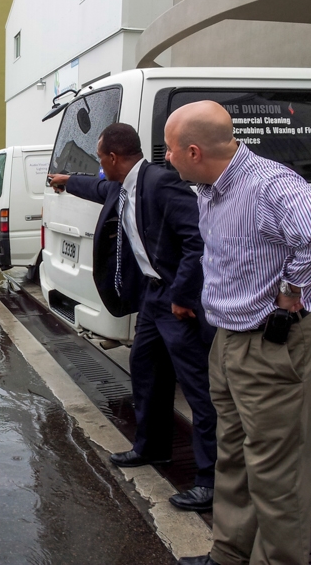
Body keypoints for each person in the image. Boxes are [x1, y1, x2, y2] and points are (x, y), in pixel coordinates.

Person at [164, 101, 311, 565]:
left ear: (193, 152)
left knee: (277, 471)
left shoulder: (268, 184)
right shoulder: (212, 189)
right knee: (233, 457)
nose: (165, 158)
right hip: (230, 339)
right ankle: (230, 554)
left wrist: (294, 290)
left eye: (169, 150)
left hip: (273, 344)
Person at [48, 122, 218, 512]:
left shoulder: (161, 183)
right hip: (154, 298)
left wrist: (182, 295)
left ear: (112, 157)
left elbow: (197, 239)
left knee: (198, 390)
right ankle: (153, 448)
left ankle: (209, 482)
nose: (100, 164)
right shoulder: (122, 184)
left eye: (100, 156)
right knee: (146, 370)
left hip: (178, 301)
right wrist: (66, 181)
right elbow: (98, 187)